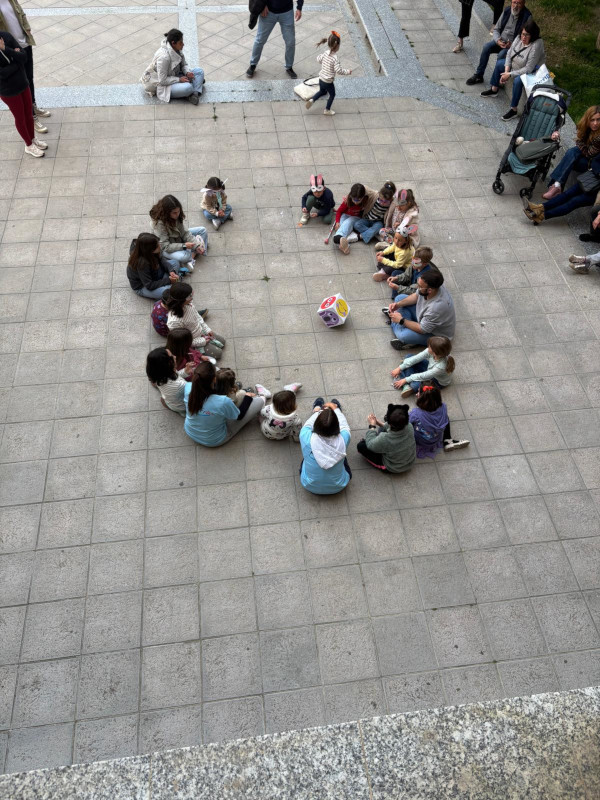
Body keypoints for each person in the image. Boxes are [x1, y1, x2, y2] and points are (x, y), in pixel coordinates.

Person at [184, 361, 265, 447]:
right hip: (214, 440)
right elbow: (238, 416)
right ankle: (263, 395)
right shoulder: (223, 401)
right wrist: (247, 398)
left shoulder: (188, 387)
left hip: (190, 431)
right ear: (214, 379)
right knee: (259, 401)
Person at [0, 0, 50, 132]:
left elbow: (21, 13)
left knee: (30, 78)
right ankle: (32, 117)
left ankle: (33, 106)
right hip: (11, 49)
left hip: (24, 44)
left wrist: (26, 27)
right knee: (24, 81)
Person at [480, 19, 544, 121]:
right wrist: (506, 71)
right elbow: (509, 54)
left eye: (527, 35)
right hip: (516, 65)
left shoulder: (536, 46)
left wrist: (509, 74)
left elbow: (528, 68)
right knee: (500, 63)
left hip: (530, 72)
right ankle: (494, 89)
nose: (523, 37)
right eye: (523, 34)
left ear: (533, 35)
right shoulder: (519, 37)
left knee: (518, 80)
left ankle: (513, 109)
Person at [0, 31, 46, 157]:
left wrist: (6, 49)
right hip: (8, 91)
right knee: (20, 117)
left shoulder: (6, 36)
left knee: (29, 114)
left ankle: (32, 139)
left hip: (23, 83)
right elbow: (2, 74)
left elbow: (24, 57)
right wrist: (16, 60)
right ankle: (29, 145)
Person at [385, 268, 456, 351]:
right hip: (425, 318)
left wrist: (401, 320)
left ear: (429, 290)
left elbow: (422, 329)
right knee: (399, 298)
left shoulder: (437, 308)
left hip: (434, 334)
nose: (418, 288)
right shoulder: (432, 286)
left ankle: (396, 322)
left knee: (404, 336)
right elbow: (416, 296)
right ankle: (396, 320)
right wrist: (397, 305)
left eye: (420, 286)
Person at [465, 0, 531, 86]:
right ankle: (479, 75)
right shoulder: (507, 11)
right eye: (514, 2)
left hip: (513, 47)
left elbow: (526, 38)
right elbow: (496, 29)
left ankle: (497, 80)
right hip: (501, 41)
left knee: (501, 54)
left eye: (518, 3)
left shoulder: (527, 17)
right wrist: (498, 40)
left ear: (523, 4)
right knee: (486, 47)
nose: (515, 6)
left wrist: (512, 45)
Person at [544, 106, 600, 200]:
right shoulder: (584, 127)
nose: (595, 123)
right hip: (584, 158)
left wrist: (579, 143)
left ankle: (555, 185)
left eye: (598, 120)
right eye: (592, 120)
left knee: (572, 153)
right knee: (572, 154)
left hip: (592, 165)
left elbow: (589, 153)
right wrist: (580, 144)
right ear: (587, 120)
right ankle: (557, 186)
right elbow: (582, 146)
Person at [522, 157, 600, 224]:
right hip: (591, 179)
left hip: (597, 193)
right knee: (567, 194)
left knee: (574, 201)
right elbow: (596, 160)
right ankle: (539, 208)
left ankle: (541, 216)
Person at [299, 398, 351, 494]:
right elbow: (345, 426)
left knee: (306, 456)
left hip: (309, 485)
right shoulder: (344, 438)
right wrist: (335, 409)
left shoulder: (305, 436)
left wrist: (320, 411)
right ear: (337, 426)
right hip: (339, 486)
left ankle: (316, 408)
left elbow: (308, 424)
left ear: (316, 425)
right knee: (343, 456)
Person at [141, 28, 204, 105]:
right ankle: (194, 87)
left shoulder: (177, 49)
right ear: (173, 43)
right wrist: (179, 80)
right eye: (181, 42)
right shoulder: (164, 57)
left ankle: (194, 94)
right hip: (164, 85)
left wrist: (187, 73)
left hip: (176, 74)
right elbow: (162, 80)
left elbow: (184, 65)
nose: (183, 44)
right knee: (188, 88)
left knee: (199, 71)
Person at [165, 282, 225, 359]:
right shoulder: (174, 322)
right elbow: (184, 342)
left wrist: (207, 329)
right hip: (193, 340)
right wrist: (202, 341)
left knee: (222, 341)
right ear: (181, 300)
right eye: (189, 296)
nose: (192, 298)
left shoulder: (188, 303)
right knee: (218, 353)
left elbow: (197, 316)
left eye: (191, 294)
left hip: (200, 331)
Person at [150, 194, 207, 273]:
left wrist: (196, 245)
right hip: (166, 247)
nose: (177, 214)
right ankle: (192, 254)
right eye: (174, 213)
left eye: (179, 211)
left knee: (202, 230)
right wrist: (184, 246)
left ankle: (193, 254)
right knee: (184, 256)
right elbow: (165, 246)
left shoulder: (177, 216)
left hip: (178, 238)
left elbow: (184, 233)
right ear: (167, 213)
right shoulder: (159, 224)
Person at [246, 0, 302, 79]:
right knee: (260, 40)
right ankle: (253, 64)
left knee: (290, 42)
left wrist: (299, 7)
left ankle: (289, 67)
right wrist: (262, 6)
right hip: (268, 12)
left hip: (287, 12)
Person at [409, 384, 470, 458]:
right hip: (436, 438)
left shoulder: (415, 413)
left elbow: (407, 422)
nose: (416, 394)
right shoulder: (443, 406)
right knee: (446, 417)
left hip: (421, 441)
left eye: (418, 392)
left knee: (409, 425)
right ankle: (448, 440)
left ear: (422, 398)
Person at [356, 404, 416, 473]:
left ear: (389, 423)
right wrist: (378, 423)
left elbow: (370, 444)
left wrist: (372, 426)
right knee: (382, 428)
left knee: (361, 446)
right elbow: (390, 426)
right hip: (409, 461)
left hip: (394, 467)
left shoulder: (385, 439)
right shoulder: (409, 426)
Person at [391, 336, 455, 398]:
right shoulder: (436, 352)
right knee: (409, 357)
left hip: (437, 381)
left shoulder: (441, 367)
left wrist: (405, 379)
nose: (428, 347)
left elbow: (424, 376)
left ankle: (408, 385)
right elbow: (416, 358)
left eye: (430, 347)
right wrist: (400, 367)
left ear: (435, 352)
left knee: (416, 385)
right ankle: (407, 382)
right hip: (430, 369)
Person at [305, 31, 351, 116]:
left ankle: (312, 100)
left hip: (321, 79)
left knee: (322, 91)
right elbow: (338, 70)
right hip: (328, 82)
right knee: (332, 95)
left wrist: (321, 57)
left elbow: (318, 59)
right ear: (337, 46)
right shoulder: (335, 58)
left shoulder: (325, 53)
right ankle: (327, 110)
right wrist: (347, 71)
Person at [127, 233, 179, 300]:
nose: (160, 246)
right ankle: (170, 283)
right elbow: (149, 285)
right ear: (150, 250)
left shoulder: (145, 250)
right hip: (143, 286)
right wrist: (169, 280)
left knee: (175, 263)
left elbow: (162, 259)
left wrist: (171, 271)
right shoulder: (142, 264)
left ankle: (170, 282)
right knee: (166, 292)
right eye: (157, 246)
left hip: (155, 273)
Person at [332, 183, 376, 253]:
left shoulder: (366, 200)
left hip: (356, 218)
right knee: (342, 225)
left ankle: (337, 238)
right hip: (345, 215)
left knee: (348, 222)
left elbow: (374, 194)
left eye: (358, 200)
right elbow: (339, 211)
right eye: (354, 199)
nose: (355, 202)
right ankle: (345, 244)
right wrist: (337, 221)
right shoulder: (347, 201)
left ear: (362, 197)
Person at [146, 346, 190, 415]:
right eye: (172, 356)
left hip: (170, 402)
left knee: (165, 399)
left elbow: (176, 375)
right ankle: (183, 413)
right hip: (182, 406)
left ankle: (169, 404)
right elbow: (192, 393)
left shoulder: (159, 375)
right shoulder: (181, 384)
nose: (175, 356)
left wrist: (185, 372)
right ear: (168, 364)